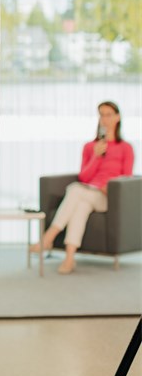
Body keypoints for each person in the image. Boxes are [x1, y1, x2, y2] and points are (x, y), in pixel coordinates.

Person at [32, 101, 135, 274]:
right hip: (88, 192)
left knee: (75, 190)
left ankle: (49, 236)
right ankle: (69, 258)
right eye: (101, 115)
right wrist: (96, 156)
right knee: (80, 205)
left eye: (108, 114)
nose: (104, 119)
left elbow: (127, 177)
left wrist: (108, 187)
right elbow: (84, 177)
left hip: (107, 196)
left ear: (117, 118)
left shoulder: (126, 148)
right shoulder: (90, 147)